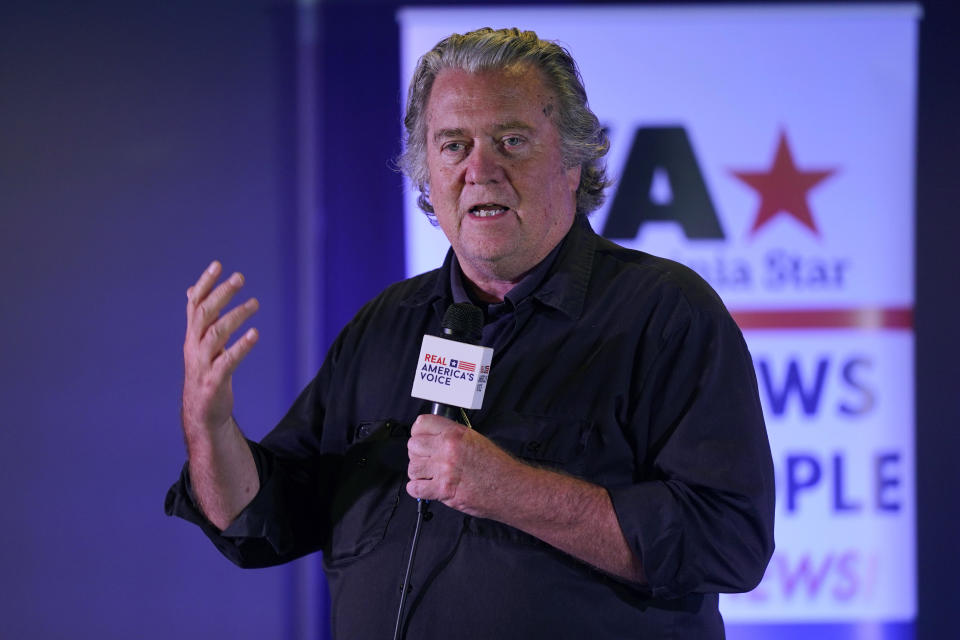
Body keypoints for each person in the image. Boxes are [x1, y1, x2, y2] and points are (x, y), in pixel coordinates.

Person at [166, 27, 774, 639]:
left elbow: (728, 541)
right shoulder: (385, 325)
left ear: (572, 164)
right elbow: (262, 521)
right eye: (454, 145)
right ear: (426, 174)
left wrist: (508, 489)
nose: (481, 169)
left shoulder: (665, 313)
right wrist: (210, 429)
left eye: (512, 140)